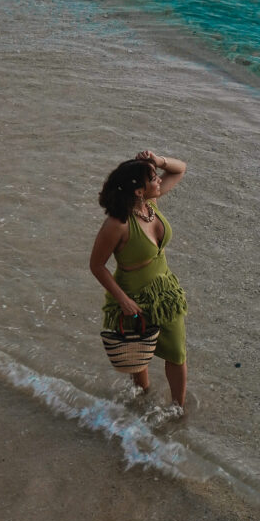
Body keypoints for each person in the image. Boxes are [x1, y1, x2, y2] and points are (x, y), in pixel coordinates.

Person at [89, 150, 188, 417]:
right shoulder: (117, 224)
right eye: (153, 178)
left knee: (177, 352)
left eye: (156, 177)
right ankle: (142, 400)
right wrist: (122, 299)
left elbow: (180, 169)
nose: (158, 181)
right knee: (139, 353)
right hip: (132, 294)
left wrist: (157, 161)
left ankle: (178, 408)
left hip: (165, 292)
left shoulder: (151, 205)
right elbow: (96, 265)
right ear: (137, 191)